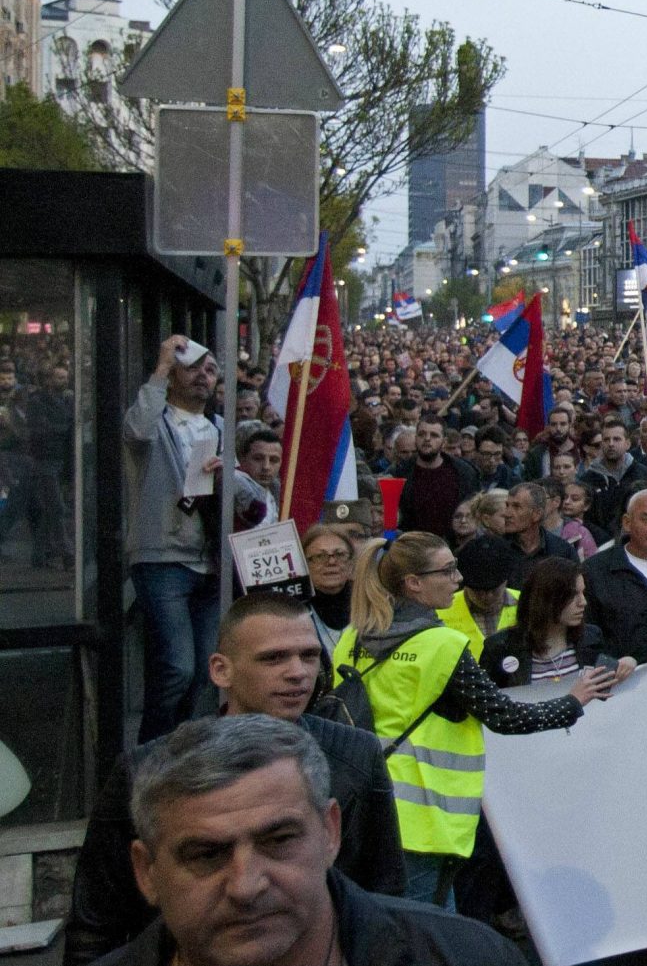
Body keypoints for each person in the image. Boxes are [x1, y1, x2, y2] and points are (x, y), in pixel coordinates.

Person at [67, 595, 406, 966]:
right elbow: (96, 922)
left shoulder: (356, 754)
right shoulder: (147, 770)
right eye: (273, 658)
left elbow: (385, 894)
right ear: (220, 670)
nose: (298, 672)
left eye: (309, 656)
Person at [92, 714, 518, 966]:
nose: (246, 886)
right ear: (146, 872)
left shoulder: (467, 956)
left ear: (331, 832)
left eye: (278, 841)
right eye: (206, 854)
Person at [337, 532, 618, 906]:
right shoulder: (442, 644)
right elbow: (505, 716)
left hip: (364, 809)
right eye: (449, 570)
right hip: (423, 819)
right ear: (414, 583)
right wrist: (573, 701)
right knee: (423, 936)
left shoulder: (352, 638)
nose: (459, 580)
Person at [124, 335, 232, 743]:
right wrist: (162, 364)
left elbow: (243, 494)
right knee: (176, 667)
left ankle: (178, 751)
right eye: (193, 368)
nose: (203, 377)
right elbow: (135, 430)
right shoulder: (155, 420)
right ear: (172, 376)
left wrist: (228, 479)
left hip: (209, 563)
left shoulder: (222, 428)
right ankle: (149, 756)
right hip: (162, 559)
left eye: (210, 370)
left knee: (203, 671)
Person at [581, 486, 647, 674]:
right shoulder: (595, 571)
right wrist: (618, 666)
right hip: (619, 686)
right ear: (627, 523)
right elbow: (586, 639)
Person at [480, 557, 623, 688]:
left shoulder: (591, 638)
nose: (583, 602)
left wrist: (627, 664)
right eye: (573, 595)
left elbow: (607, 691)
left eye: (583, 593)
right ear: (547, 599)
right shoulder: (500, 648)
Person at [397, 419, 480, 545]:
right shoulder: (399, 474)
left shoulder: (465, 473)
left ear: (444, 441)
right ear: (415, 438)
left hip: (453, 548)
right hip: (411, 549)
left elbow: (475, 512)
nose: (427, 439)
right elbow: (391, 520)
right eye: (422, 434)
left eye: (434, 435)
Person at [499, 481, 578, 586]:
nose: (506, 513)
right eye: (507, 505)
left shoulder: (562, 551)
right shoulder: (496, 549)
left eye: (516, 507)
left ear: (536, 514)